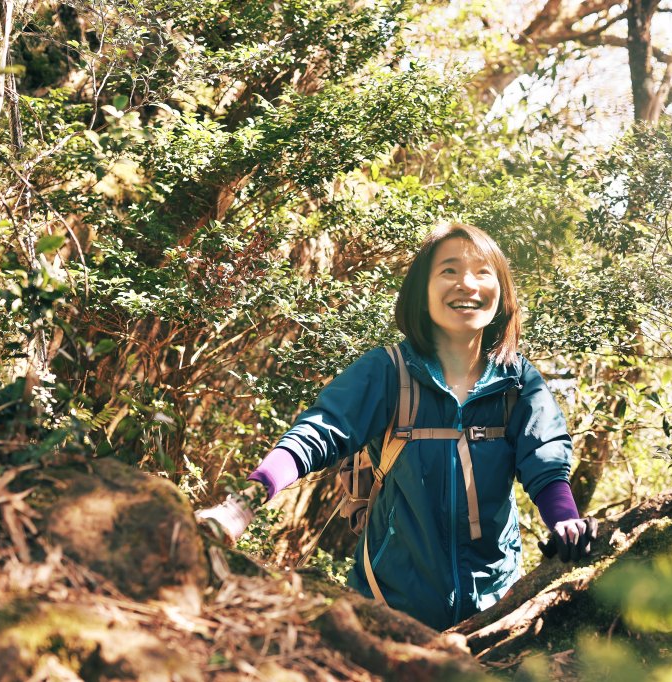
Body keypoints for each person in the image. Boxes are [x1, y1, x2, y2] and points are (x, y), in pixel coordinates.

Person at [197, 223, 596, 630]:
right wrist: (240, 507)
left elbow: (544, 461)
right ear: (421, 291)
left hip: (494, 611)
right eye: (449, 271)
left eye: (482, 272)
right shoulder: (389, 371)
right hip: (387, 608)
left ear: (502, 292)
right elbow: (316, 433)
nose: (466, 284)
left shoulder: (517, 381)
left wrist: (565, 520)